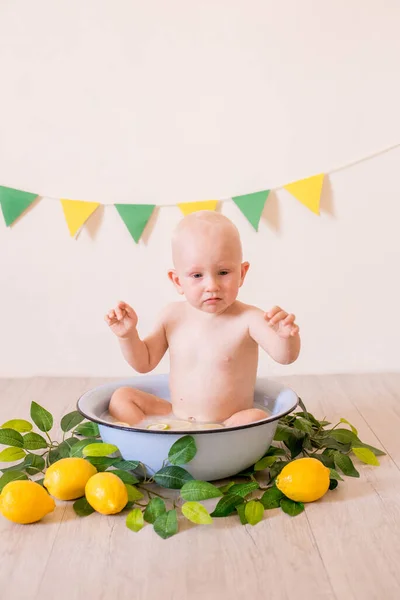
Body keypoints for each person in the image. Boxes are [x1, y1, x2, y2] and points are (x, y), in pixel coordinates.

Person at [105, 211, 300, 428]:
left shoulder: (249, 319)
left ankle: (214, 439)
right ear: (177, 280)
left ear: (242, 273)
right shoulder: (171, 316)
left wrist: (286, 337)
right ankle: (148, 431)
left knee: (255, 418)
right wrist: (128, 335)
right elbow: (144, 363)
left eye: (223, 272)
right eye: (197, 275)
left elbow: (285, 357)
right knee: (121, 398)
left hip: (228, 423)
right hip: (175, 416)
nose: (212, 286)